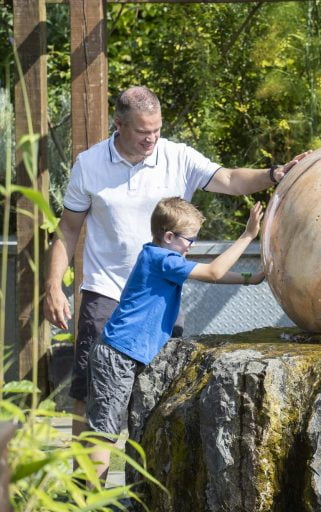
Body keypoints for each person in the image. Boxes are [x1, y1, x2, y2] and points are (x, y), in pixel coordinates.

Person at [43, 85, 306, 438]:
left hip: (162, 302)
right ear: (118, 124)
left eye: (157, 129)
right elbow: (68, 229)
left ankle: (144, 475)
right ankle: (87, 475)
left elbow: (230, 179)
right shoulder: (89, 165)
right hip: (106, 294)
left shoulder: (178, 156)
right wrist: (53, 286)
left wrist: (273, 174)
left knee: (158, 399)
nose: (151, 138)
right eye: (142, 131)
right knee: (92, 397)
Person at [87, 197, 265, 480]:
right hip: (118, 354)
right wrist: (247, 235)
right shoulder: (162, 259)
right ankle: (89, 499)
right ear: (169, 236)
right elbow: (213, 272)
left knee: (121, 429)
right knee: (104, 434)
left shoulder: (161, 258)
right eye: (189, 240)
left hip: (127, 354)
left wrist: (250, 278)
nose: (191, 245)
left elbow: (211, 274)